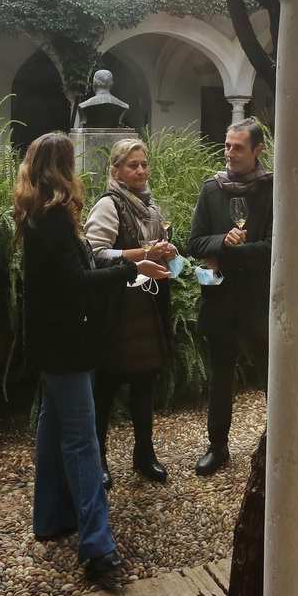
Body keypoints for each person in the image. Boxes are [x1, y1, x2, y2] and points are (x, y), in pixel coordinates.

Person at [15, 132, 168, 581]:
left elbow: (76, 271)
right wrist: (130, 269)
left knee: (52, 428)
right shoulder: (53, 220)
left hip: (52, 345)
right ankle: (98, 548)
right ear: (62, 168)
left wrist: (134, 265)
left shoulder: (43, 215)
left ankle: (50, 518)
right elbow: (77, 282)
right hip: (66, 347)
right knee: (83, 442)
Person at [85, 137, 179, 487]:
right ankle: (98, 460)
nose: (140, 171)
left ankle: (145, 454)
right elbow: (95, 253)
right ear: (116, 170)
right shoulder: (109, 205)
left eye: (143, 164)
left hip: (146, 305)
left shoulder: (149, 206)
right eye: (132, 165)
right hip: (116, 308)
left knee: (144, 381)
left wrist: (168, 253)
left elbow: (155, 252)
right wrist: (142, 253)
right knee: (106, 385)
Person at [187, 118, 275, 476]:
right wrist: (222, 241)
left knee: (273, 376)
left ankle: (276, 444)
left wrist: (226, 252)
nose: (230, 153)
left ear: (258, 150)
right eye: (227, 145)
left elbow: (276, 247)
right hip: (220, 298)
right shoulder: (212, 189)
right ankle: (217, 446)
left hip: (259, 299)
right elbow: (194, 243)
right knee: (220, 378)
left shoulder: (273, 189)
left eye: (238, 147)